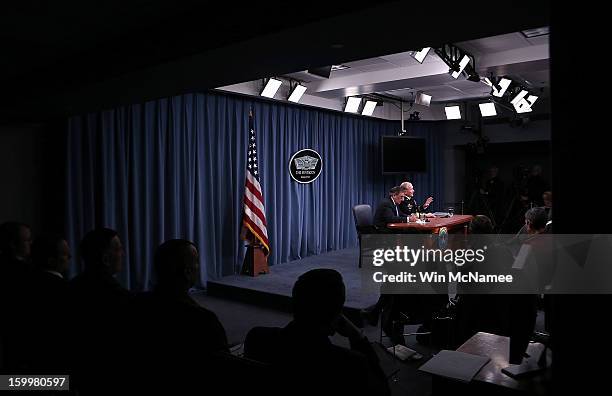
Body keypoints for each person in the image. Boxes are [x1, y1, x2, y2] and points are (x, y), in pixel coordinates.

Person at [245, 269, 390, 396]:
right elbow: (383, 391)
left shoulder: (256, 338)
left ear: (294, 303)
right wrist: (357, 337)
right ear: (337, 315)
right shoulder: (351, 364)